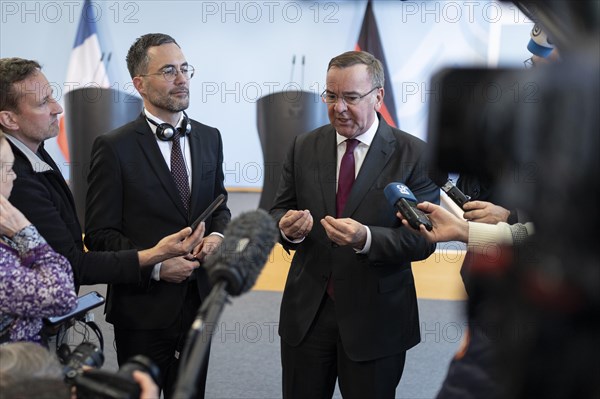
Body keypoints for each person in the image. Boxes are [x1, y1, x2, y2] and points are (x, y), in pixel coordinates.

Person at [269, 50, 440, 399]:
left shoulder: (415, 155)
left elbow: (423, 240)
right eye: (331, 96)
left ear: (378, 96)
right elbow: (278, 212)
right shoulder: (304, 146)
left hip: (376, 320)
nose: (339, 107)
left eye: (350, 97)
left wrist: (366, 239)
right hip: (308, 316)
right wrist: (287, 229)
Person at [84, 33, 230, 399]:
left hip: (199, 303)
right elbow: (100, 234)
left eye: (184, 68)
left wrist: (217, 237)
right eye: (168, 71)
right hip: (142, 308)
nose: (181, 79)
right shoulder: (113, 147)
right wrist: (158, 266)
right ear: (139, 83)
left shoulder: (210, 138)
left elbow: (220, 206)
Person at [0, 58, 207, 291]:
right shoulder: (15, 179)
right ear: (9, 119)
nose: (57, 108)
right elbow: (72, 265)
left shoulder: (34, 151)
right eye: (42, 103)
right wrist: (156, 257)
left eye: (51, 96)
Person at [0, 131, 77, 343]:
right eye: (8, 168)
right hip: (14, 371)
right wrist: (24, 230)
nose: (15, 175)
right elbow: (63, 296)